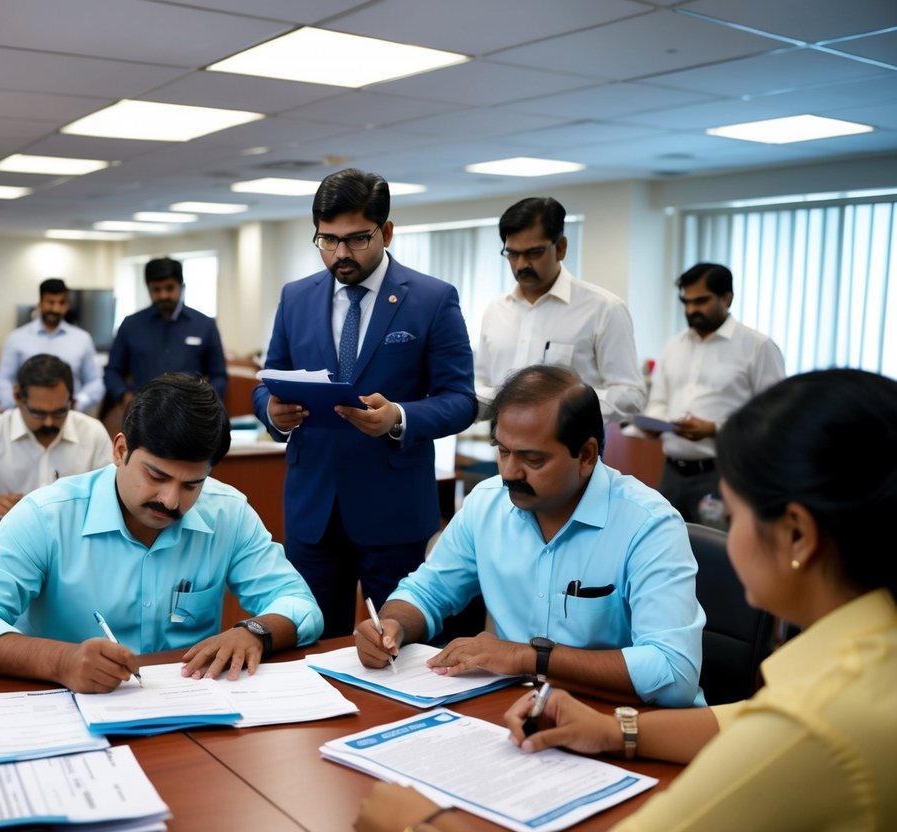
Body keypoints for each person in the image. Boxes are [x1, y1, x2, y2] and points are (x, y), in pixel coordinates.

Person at [357, 369, 897, 832]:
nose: (509, 471)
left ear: (798, 535)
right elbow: (748, 719)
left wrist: (423, 824)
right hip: (557, 728)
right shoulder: (858, 670)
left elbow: (718, 697)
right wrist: (614, 730)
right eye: (502, 451)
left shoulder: (815, 718)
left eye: (732, 516)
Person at [0, 373, 323, 692]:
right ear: (120, 450)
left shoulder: (228, 512)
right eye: (156, 475)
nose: (170, 500)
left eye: (192, 485)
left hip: (190, 709)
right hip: (68, 709)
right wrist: (61, 661)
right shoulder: (46, 516)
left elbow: (299, 604)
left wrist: (255, 631)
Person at [357, 365, 705, 708]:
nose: (509, 473)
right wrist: (392, 626)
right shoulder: (487, 503)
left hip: (624, 724)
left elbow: (674, 674)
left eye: (533, 459)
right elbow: (426, 592)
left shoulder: (648, 525)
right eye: (503, 451)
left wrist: (528, 658)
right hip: (520, 712)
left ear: (586, 455)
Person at [253, 168, 478, 638]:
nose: (340, 254)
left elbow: (460, 400)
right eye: (327, 240)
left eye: (356, 239)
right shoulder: (296, 298)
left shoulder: (432, 300)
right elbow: (266, 381)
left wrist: (399, 417)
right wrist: (271, 412)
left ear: (386, 231)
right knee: (309, 643)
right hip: (313, 510)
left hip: (392, 511)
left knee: (395, 647)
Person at [473, 197, 644, 424]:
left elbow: (631, 396)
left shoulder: (604, 309)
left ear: (561, 248)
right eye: (512, 254)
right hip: (506, 449)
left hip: (572, 451)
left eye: (534, 253)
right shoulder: (496, 311)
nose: (521, 264)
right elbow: (479, 384)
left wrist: (562, 405)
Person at [636, 263, 785, 522]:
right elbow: (659, 399)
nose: (691, 309)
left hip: (722, 472)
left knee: (714, 552)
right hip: (672, 472)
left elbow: (775, 417)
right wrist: (655, 422)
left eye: (701, 301)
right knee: (666, 547)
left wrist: (714, 429)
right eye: (686, 302)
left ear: (726, 298)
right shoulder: (675, 345)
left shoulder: (757, 347)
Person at [0, 354, 112, 521]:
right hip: (7, 543)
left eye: (59, 412)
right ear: (18, 397)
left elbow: (112, 496)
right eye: (38, 413)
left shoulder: (92, 433)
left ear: (72, 402)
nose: (49, 423)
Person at [104, 256, 228, 418]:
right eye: (156, 289)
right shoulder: (130, 325)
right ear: (148, 289)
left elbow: (219, 375)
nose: (163, 295)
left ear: (181, 287)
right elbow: (113, 371)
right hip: (143, 415)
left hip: (191, 415)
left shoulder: (205, 325)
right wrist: (123, 395)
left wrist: (205, 402)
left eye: (170, 288)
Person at [0, 278, 105, 413]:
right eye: (50, 302)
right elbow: (3, 380)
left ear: (67, 305)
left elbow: (95, 380)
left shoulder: (82, 339)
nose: (56, 308)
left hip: (69, 415)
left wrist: (80, 402)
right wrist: (15, 406)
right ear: (40, 303)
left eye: (61, 303)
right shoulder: (17, 338)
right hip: (27, 415)